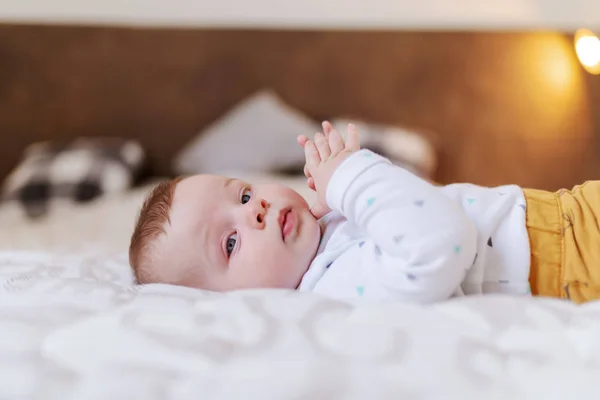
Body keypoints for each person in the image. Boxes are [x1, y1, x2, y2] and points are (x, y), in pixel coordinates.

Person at [129, 122, 600, 304]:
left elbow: (412, 206)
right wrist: (352, 181)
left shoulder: (326, 244)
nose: (258, 211)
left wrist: (337, 204)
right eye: (229, 243)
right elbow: (440, 243)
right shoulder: (335, 288)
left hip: (566, 213)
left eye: (246, 194)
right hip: (567, 257)